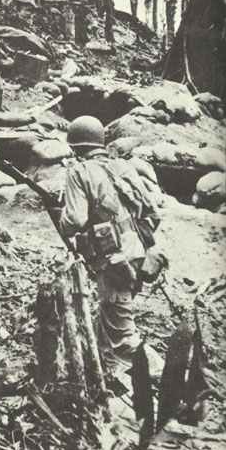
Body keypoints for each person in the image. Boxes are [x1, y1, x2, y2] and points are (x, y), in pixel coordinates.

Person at [59, 115, 166, 380]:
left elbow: (74, 220)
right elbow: (152, 212)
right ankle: (107, 371)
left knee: (123, 335)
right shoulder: (123, 167)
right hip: (138, 253)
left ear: (75, 147)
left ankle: (171, 381)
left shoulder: (79, 172)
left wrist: (60, 215)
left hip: (113, 260)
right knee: (111, 319)